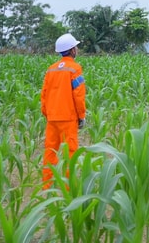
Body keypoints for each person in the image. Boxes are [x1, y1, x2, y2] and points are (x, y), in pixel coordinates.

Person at [40, 33, 87, 189]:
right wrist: (81, 116)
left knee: (50, 151)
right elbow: (79, 95)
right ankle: (69, 186)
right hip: (68, 118)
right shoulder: (74, 69)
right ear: (72, 50)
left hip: (52, 117)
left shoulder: (51, 69)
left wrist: (48, 114)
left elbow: (44, 94)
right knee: (70, 151)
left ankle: (47, 185)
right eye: (76, 47)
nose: (77, 49)